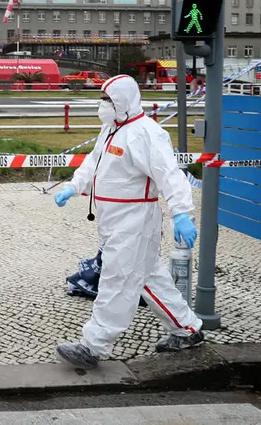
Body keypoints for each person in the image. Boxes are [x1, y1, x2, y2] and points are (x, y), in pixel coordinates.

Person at [53, 74, 204, 370]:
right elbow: (93, 163)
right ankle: (187, 329)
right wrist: (74, 186)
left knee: (117, 280)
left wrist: (181, 213)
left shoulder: (145, 133)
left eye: (108, 100)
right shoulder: (111, 129)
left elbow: (168, 174)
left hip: (134, 221)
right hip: (116, 221)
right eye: (102, 99)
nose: (102, 105)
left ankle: (93, 345)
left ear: (122, 102)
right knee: (149, 278)